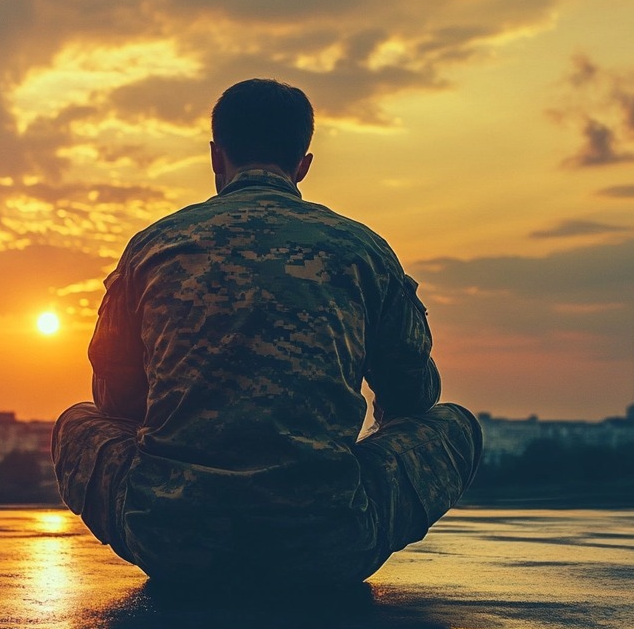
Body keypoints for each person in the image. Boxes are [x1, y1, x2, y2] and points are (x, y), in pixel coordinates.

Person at [53, 78, 481, 586]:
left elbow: (115, 401)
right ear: (303, 164)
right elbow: (414, 395)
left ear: (216, 157)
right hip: (330, 543)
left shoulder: (154, 246)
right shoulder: (361, 250)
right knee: (456, 424)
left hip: (171, 539)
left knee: (75, 422)